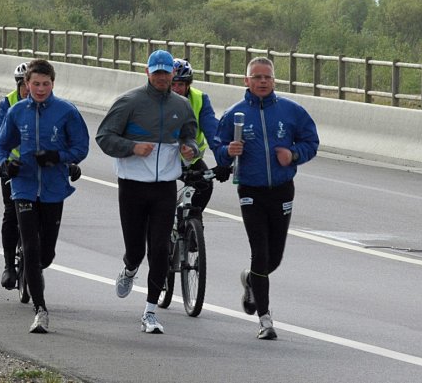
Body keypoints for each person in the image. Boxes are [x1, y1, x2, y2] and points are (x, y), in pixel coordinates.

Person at [213, 57, 319, 340]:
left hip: (282, 190)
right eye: (256, 77)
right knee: (259, 253)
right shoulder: (235, 114)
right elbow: (218, 147)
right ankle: (265, 318)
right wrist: (228, 152)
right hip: (250, 190)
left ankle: (250, 279)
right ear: (246, 81)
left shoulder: (291, 111)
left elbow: (311, 142)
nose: (262, 81)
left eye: (267, 77)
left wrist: (294, 155)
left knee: (273, 258)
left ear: (274, 81)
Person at [96, 50, 198, 334]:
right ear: (148, 72)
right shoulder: (129, 102)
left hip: (165, 186)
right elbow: (104, 137)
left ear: (173, 74)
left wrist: (191, 149)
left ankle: (150, 312)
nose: (162, 77)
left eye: (167, 73)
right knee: (136, 250)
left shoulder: (182, 105)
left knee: (160, 249)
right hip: (132, 185)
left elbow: (190, 135)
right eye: (157, 72)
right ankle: (129, 269)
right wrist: (132, 148)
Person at [0, 59, 89, 333]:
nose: (40, 88)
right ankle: (40, 310)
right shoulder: (16, 111)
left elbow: (81, 147)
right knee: (32, 252)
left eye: (46, 84)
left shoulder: (66, 111)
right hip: (23, 186)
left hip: (53, 189)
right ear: (27, 85)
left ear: (52, 84)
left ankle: (33, 265)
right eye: (35, 84)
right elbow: (0, 144)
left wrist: (57, 157)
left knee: (45, 254)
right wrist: (5, 165)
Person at [0, 62, 29, 290]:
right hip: (12, 167)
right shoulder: (8, 102)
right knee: (11, 213)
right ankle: (9, 266)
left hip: (39, 170)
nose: (30, 90)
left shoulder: (49, 104)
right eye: (25, 85)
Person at [170, 58, 231, 213]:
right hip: (163, 159)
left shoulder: (200, 99)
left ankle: (193, 222)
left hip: (191, 159)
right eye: (173, 84)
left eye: (181, 84)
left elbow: (213, 132)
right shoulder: (157, 100)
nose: (176, 89)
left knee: (205, 185)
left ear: (188, 85)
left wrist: (222, 160)